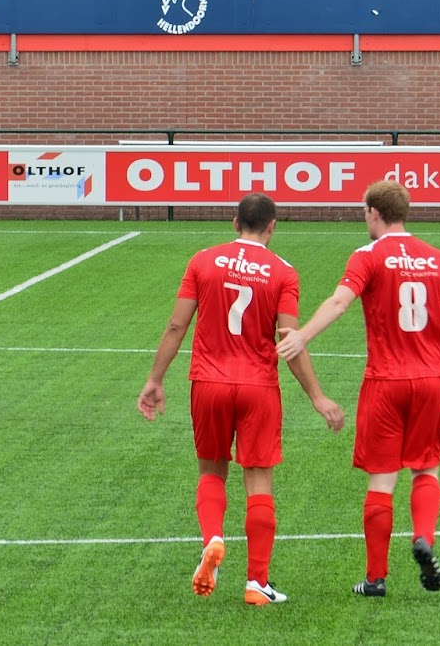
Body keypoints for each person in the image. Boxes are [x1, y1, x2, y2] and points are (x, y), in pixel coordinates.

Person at [139, 193, 344, 606]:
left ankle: (213, 537)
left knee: (211, 471)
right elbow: (290, 341)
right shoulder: (284, 272)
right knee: (258, 481)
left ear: (235, 223)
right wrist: (318, 397)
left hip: (208, 384)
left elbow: (178, 325)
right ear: (272, 227)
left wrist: (155, 379)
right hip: (258, 387)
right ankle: (256, 583)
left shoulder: (203, 260)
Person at [277, 180, 440, 599]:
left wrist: (303, 335)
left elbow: (339, 302)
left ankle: (376, 579)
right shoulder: (437, 259)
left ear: (373, 212)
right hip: (431, 379)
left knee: (382, 480)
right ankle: (424, 539)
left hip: (385, 382)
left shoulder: (368, 256)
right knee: (426, 468)